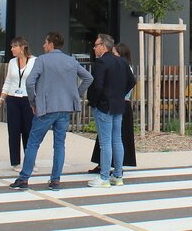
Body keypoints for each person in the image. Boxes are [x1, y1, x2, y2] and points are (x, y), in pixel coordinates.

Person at [10, 31, 93, 191]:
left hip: (47, 107)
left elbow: (29, 83)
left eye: (45, 42)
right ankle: (55, 180)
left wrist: (33, 102)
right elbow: (88, 78)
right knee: (59, 144)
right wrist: (76, 94)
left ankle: (24, 178)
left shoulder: (42, 60)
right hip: (65, 107)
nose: (43, 45)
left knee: (33, 142)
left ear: (50, 44)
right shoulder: (71, 61)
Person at [86, 33, 137, 187]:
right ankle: (118, 175)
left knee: (105, 142)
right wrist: (119, 94)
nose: (94, 48)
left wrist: (94, 101)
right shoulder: (121, 62)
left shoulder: (101, 63)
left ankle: (104, 178)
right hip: (118, 105)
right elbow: (132, 81)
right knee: (117, 140)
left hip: (104, 106)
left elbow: (97, 86)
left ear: (103, 46)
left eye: (96, 45)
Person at [0, 36, 36, 169]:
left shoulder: (35, 61)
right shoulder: (12, 62)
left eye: (14, 46)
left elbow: (38, 81)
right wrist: (1, 100)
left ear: (22, 47)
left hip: (28, 100)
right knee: (14, 131)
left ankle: (30, 161)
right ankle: (15, 162)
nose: (11, 49)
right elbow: (8, 81)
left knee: (29, 131)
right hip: (12, 99)